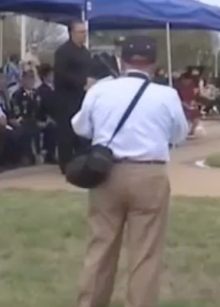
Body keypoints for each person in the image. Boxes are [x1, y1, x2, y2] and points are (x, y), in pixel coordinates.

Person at [73, 36, 189, 307]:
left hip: (107, 172)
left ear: (121, 61)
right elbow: (179, 134)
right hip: (149, 172)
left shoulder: (100, 90)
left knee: (101, 246)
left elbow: (80, 127)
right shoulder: (166, 94)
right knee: (145, 253)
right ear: (154, 64)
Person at [53, 20, 92, 172]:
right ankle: (66, 164)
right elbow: (62, 74)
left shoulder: (86, 52)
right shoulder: (63, 52)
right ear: (71, 33)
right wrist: (82, 81)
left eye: (85, 32)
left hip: (83, 97)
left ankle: (82, 160)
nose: (84, 35)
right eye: (81, 32)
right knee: (66, 132)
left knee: (83, 130)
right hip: (66, 98)